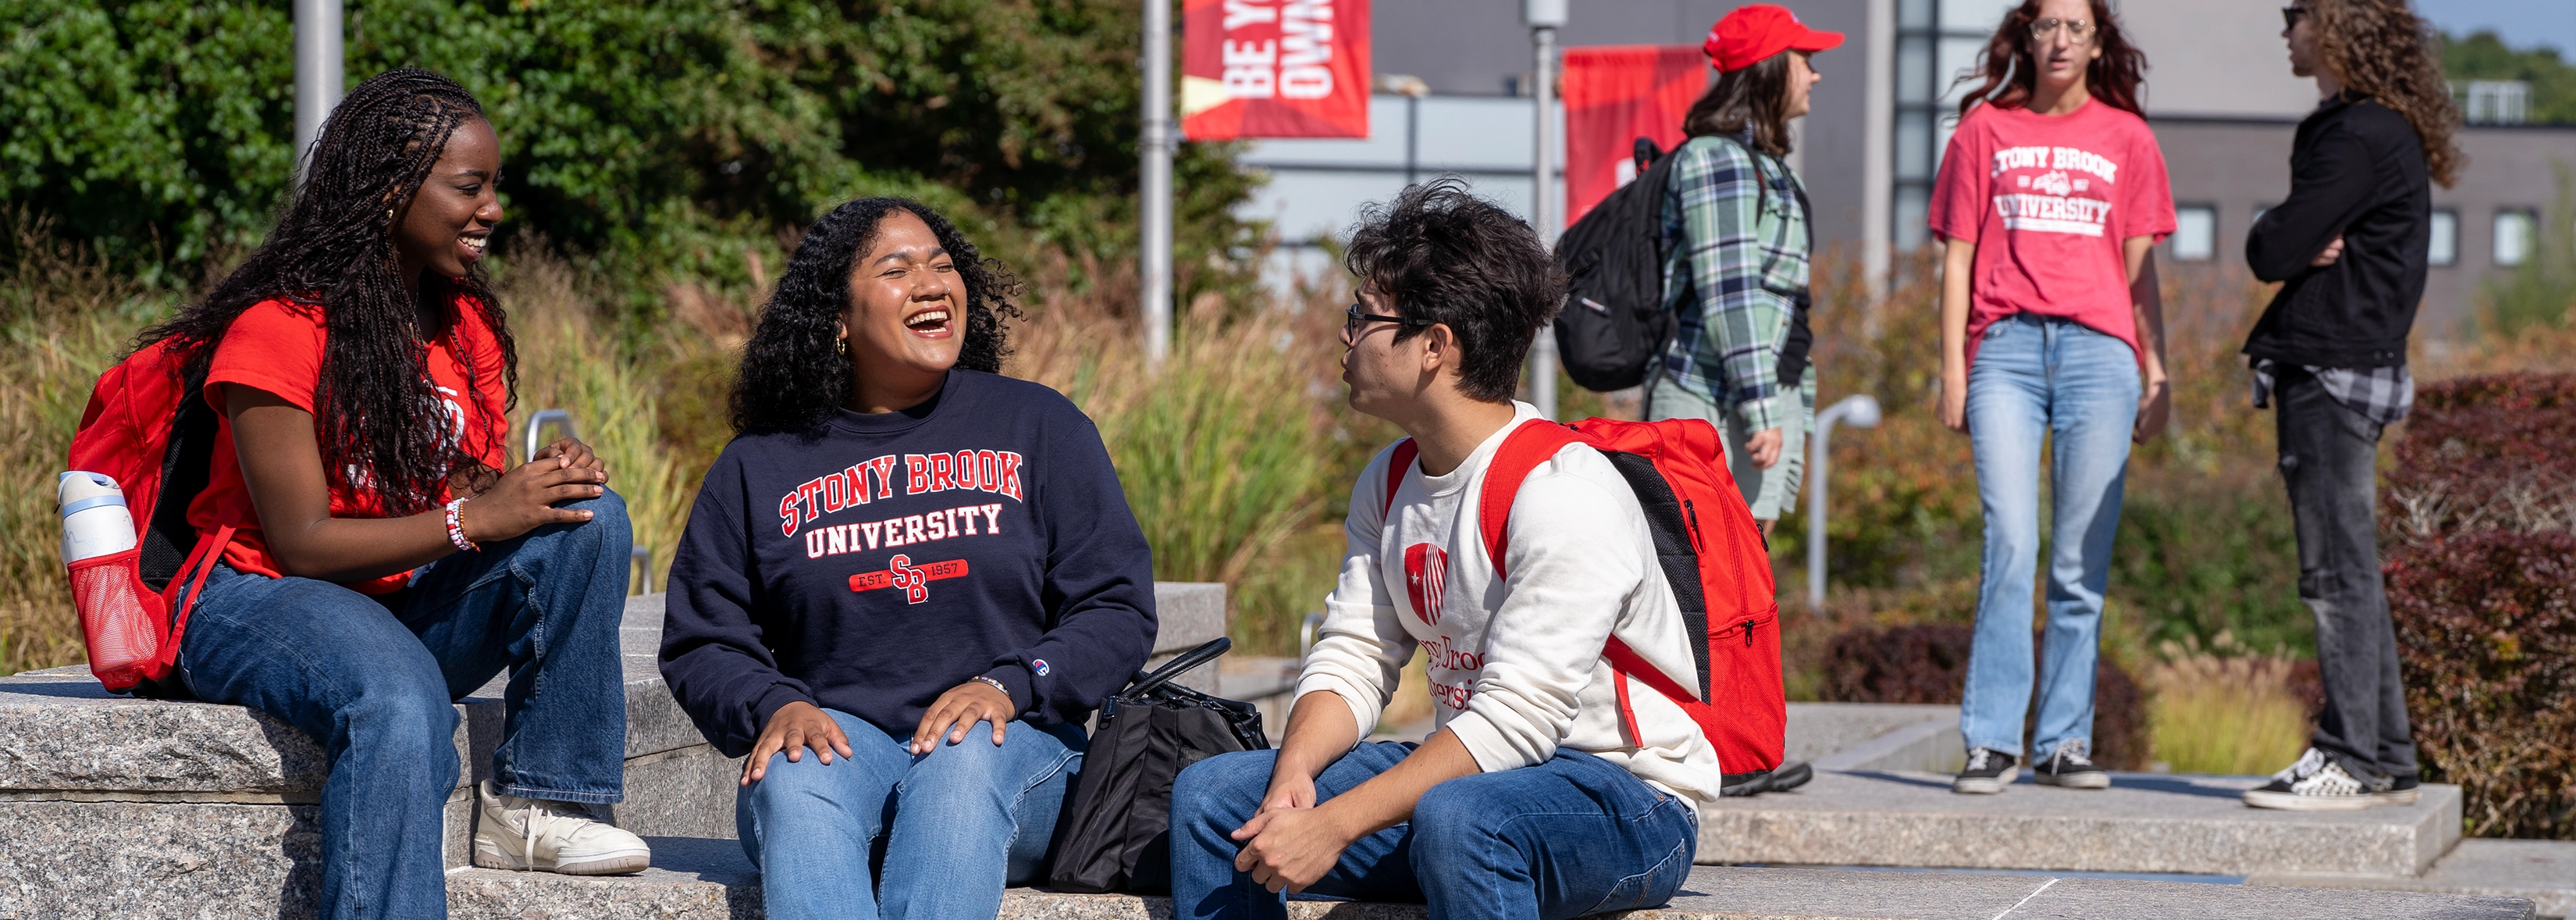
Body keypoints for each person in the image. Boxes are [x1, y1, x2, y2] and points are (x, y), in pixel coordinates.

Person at [133, 70, 648, 920]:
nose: (492, 209)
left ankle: (538, 801)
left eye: (494, 186)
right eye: (468, 187)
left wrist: (527, 486)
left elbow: (452, 481)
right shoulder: (277, 328)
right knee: (398, 696)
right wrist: (471, 516)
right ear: (389, 187)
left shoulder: (463, 324)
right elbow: (300, 539)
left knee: (589, 521)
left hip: (393, 596)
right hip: (258, 596)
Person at [1167, 180, 1716, 920]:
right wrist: (1295, 773)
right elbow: (1356, 655)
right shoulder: (1390, 479)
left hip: (1620, 799)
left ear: (1435, 346)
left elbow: (1520, 717)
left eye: (1364, 316)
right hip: (1470, 778)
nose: (1345, 334)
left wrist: (1333, 824)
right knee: (1213, 798)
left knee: (1465, 821)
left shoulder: (1564, 490)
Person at [658, 197, 1157, 920]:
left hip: (1015, 752)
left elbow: (1115, 606)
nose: (932, 284)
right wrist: (778, 704)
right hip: (847, 756)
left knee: (962, 758)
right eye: (897, 270)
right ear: (838, 319)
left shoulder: (1038, 424)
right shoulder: (760, 465)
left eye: (943, 266)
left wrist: (1012, 684)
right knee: (797, 770)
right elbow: (704, 639)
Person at [1929, 0, 2173, 795]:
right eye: (2045, 26)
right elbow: (1957, 261)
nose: (2059, 40)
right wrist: (1951, 369)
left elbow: (2142, 273)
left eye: (2076, 27)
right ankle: (1993, 739)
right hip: (2004, 350)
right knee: (2012, 540)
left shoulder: (2129, 138)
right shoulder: (1983, 133)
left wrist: (2158, 369)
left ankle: (2064, 739)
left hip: (2103, 356)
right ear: (2024, 38)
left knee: (2079, 559)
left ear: (2098, 42)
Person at [2238, 0, 2458, 811]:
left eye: (2296, 13)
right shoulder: (2359, 128)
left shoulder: (2359, 135)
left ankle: (2350, 756)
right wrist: (2296, 235)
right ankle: (2388, 754)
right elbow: (2293, 241)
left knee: (2334, 573)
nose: (2285, 26)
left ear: (2335, 27)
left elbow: (2271, 250)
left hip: (2332, 370)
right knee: (2350, 568)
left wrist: (2288, 234)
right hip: (2344, 366)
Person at [1646, 4, 1841, 537]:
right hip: (1712, 402)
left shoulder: (1767, 164)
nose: (1816, 74)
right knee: (1704, 588)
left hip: (1761, 397)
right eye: (1805, 59)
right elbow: (1729, 293)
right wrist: (1761, 408)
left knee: (1744, 589)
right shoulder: (1718, 160)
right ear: (1771, 67)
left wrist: (1781, 406)